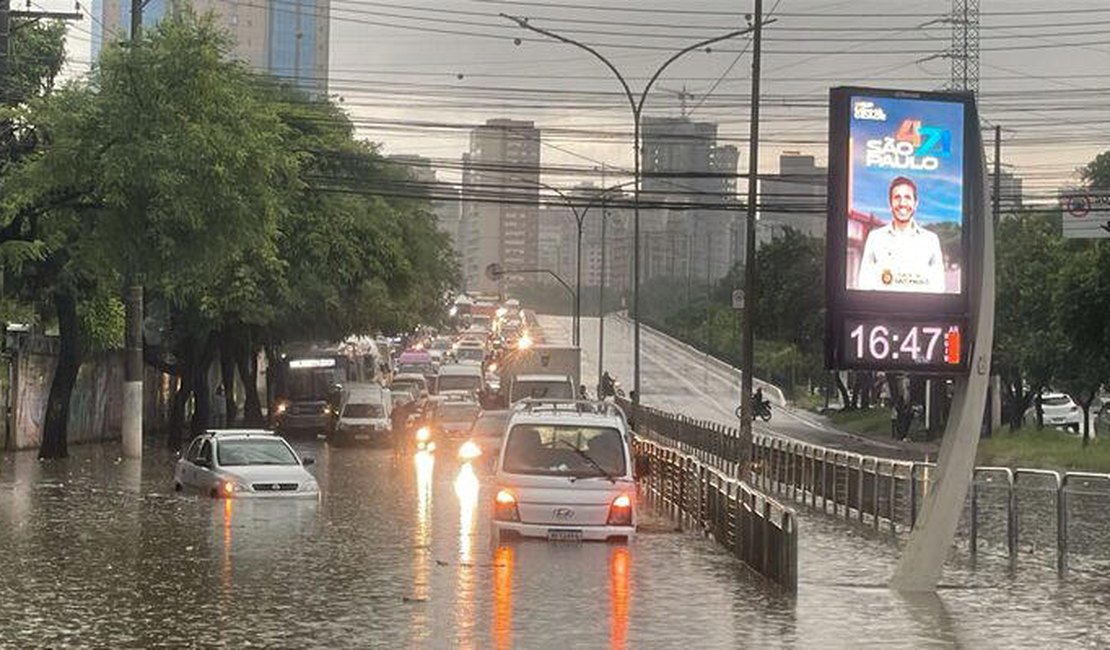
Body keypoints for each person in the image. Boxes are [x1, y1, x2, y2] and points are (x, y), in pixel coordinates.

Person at [857, 176, 946, 293]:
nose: (902, 203)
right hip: (883, 309)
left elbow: (938, 287)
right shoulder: (875, 238)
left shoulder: (931, 240)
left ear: (916, 203)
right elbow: (864, 284)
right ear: (890, 203)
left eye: (908, 197)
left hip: (920, 310)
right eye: (897, 197)